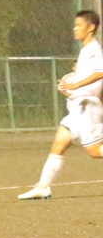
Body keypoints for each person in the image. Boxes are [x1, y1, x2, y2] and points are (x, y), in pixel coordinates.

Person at [18, 10, 103, 200]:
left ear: (91, 27)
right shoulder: (85, 49)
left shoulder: (93, 50)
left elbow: (101, 72)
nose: (75, 29)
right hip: (79, 106)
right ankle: (43, 187)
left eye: (79, 25)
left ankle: (43, 186)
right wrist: (71, 90)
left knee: (94, 151)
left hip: (86, 107)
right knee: (59, 144)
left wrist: (76, 85)